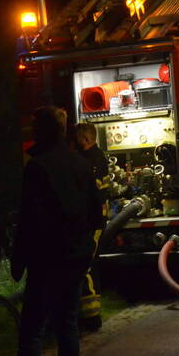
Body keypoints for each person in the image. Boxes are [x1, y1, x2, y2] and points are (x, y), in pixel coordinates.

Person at [0, 106, 103, 356]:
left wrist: (19, 260)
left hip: (47, 261)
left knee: (32, 332)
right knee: (68, 328)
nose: (31, 132)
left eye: (35, 126)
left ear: (47, 131)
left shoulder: (37, 168)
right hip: (75, 258)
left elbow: (30, 220)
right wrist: (86, 247)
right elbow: (97, 214)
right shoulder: (81, 164)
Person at [73, 122, 109, 332]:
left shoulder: (90, 161)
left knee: (86, 264)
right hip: (93, 218)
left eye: (77, 139)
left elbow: (91, 193)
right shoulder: (96, 157)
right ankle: (89, 315)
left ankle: (92, 317)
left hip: (92, 219)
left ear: (85, 139)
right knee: (87, 264)